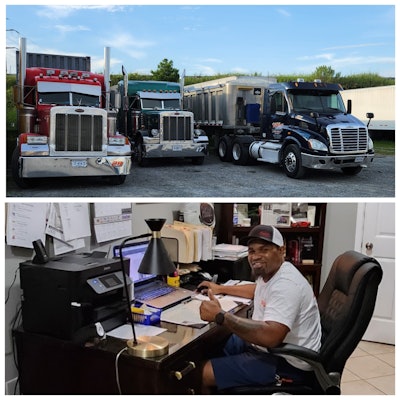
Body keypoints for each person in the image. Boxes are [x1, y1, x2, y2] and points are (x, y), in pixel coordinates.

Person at [198, 224, 321, 393]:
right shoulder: (274, 272)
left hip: (286, 363)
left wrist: (221, 316)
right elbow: (257, 290)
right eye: (252, 251)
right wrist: (220, 288)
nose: (256, 256)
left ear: (281, 250)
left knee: (201, 373)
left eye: (264, 250)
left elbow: (271, 336)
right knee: (210, 349)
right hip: (269, 349)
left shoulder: (286, 285)